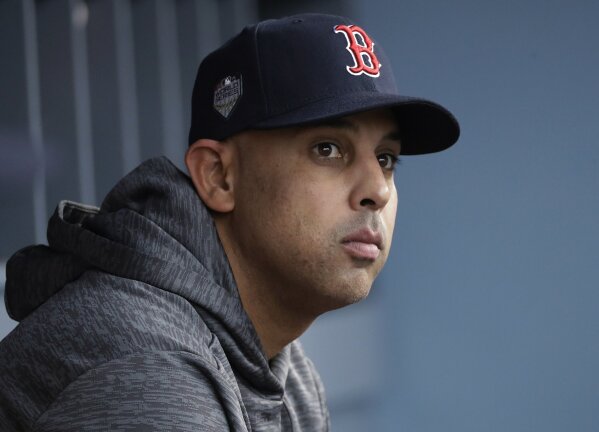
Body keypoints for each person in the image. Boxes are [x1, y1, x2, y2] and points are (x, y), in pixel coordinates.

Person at [0, 12, 459, 431]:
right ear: (219, 177)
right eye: (328, 149)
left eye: (386, 158)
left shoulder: (286, 369)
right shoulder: (150, 370)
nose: (377, 189)